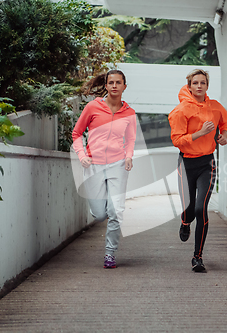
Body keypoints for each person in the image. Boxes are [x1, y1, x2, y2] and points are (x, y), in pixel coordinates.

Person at [72, 69, 136, 269]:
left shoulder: (129, 113)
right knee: (100, 214)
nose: (115, 86)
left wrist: (128, 156)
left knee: (116, 212)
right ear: (106, 86)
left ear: (125, 86)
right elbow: (77, 133)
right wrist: (82, 155)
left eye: (119, 82)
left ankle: (110, 253)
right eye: (111, 82)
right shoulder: (93, 107)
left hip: (118, 164)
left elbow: (131, 138)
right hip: (94, 164)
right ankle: (104, 211)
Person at [168, 69, 227, 272]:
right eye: (195, 83)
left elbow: (224, 122)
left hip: (206, 164)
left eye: (203, 82)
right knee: (189, 209)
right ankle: (185, 222)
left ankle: (198, 257)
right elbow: (177, 140)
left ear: (207, 85)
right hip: (186, 164)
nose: (199, 86)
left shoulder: (214, 107)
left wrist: (223, 135)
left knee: (200, 209)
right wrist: (200, 133)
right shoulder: (181, 110)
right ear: (189, 85)